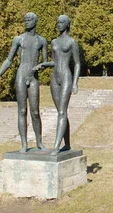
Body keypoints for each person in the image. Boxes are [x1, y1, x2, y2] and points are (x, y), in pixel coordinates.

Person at [0, 12, 48, 153]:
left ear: (35, 21)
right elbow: (9, 59)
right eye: (25, 20)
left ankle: (39, 141)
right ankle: (24, 143)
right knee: (22, 110)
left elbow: (45, 61)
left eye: (29, 20)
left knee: (35, 112)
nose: (27, 22)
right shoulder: (19, 39)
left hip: (33, 77)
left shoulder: (41, 41)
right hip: (21, 76)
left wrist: (41, 66)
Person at [34, 14, 81, 155]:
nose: (58, 24)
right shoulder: (54, 42)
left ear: (67, 24)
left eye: (62, 22)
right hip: (54, 77)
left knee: (62, 111)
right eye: (58, 22)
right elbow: (55, 61)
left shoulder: (72, 42)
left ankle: (56, 146)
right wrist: (43, 64)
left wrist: (75, 83)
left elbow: (77, 63)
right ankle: (67, 144)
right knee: (61, 111)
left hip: (66, 76)